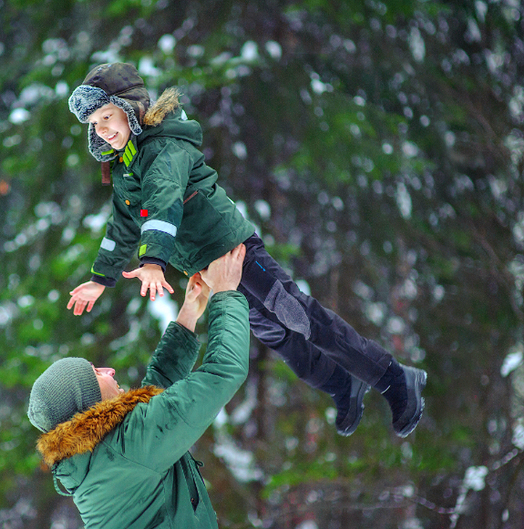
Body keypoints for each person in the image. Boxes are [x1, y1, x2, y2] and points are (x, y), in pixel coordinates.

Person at [65, 62, 427, 437]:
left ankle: (396, 378)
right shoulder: (126, 164)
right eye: (93, 123)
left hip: (235, 252)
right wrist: (100, 278)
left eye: (106, 116)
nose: (101, 128)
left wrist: (153, 261)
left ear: (131, 109)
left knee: (300, 317)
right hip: (215, 270)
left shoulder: (163, 150)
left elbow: (164, 204)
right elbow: (122, 225)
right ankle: (343, 385)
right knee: (275, 333)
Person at [28, 246, 250, 528]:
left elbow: (153, 405)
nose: (109, 370)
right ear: (89, 401)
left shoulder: (99, 457)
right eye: (96, 372)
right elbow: (223, 373)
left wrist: (189, 314)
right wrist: (225, 292)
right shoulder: (126, 449)